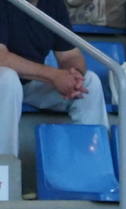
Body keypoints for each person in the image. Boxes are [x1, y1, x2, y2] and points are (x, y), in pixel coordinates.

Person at [0, 0, 109, 159]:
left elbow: (70, 55)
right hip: (5, 82)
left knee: (89, 83)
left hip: (29, 82)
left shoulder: (53, 4)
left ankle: (93, 165)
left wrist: (74, 75)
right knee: (8, 79)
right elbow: (1, 58)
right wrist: (53, 75)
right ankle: (5, 172)